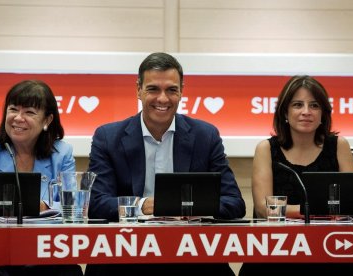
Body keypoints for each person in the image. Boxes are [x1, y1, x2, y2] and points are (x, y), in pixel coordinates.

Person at [85, 52, 246, 276]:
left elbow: (235, 203)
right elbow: (96, 204)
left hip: (191, 254)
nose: (163, 99)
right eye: (153, 89)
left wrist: (187, 206)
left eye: (171, 90)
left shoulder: (205, 136)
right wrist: (144, 206)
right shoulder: (107, 137)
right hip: (126, 255)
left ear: (182, 91)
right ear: (138, 89)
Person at [0, 80, 83, 276]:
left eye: (30, 112)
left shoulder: (61, 153)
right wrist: (32, 205)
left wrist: (47, 207)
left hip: (43, 253)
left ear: (47, 120)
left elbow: (72, 208)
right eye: (13, 109)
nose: (18, 118)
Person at [239, 75, 353, 275]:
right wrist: (318, 211)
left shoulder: (339, 146)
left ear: (323, 114)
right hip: (276, 250)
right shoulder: (266, 149)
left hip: (329, 248)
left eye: (314, 105)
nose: (306, 112)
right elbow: (265, 208)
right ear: (285, 111)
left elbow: (350, 203)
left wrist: (292, 210)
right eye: (298, 105)